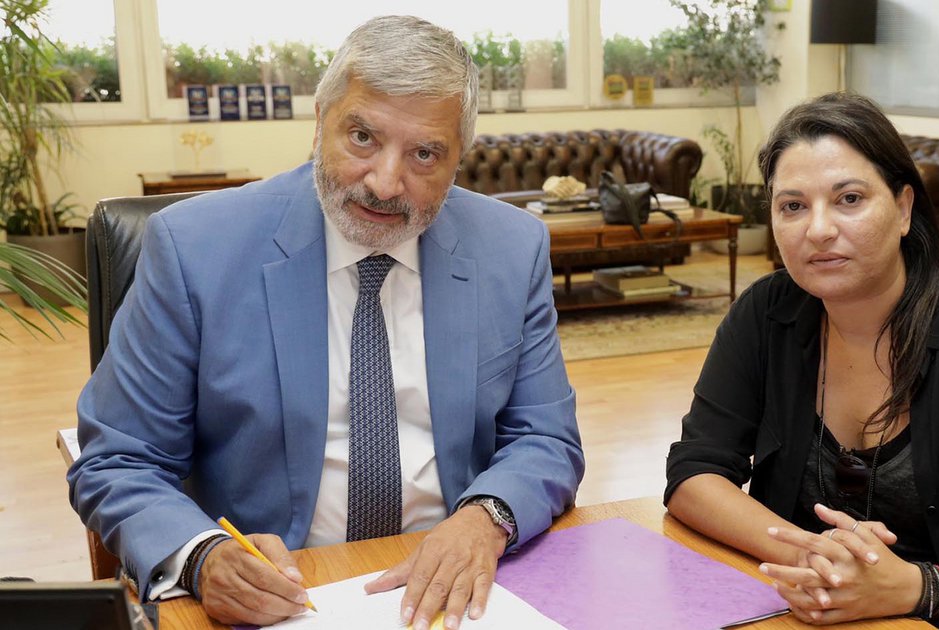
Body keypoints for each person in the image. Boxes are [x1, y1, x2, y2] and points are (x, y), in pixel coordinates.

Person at [68, 15, 584, 630]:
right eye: (362, 137)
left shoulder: (511, 247)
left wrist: (485, 519)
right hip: (280, 594)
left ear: (459, 159)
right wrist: (203, 556)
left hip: (454, 589)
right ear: (319, 122)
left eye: (424, 154)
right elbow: (119, 459)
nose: (386, 184)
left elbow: (546, 439)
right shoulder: (193, 249)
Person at [664, 93, 939, 629]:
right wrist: (812, 554)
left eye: (849, 198)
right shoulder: (766, 315)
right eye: (793, 206)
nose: (818, 230)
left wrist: (912, 588)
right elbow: (694, 473)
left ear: (903, 209)